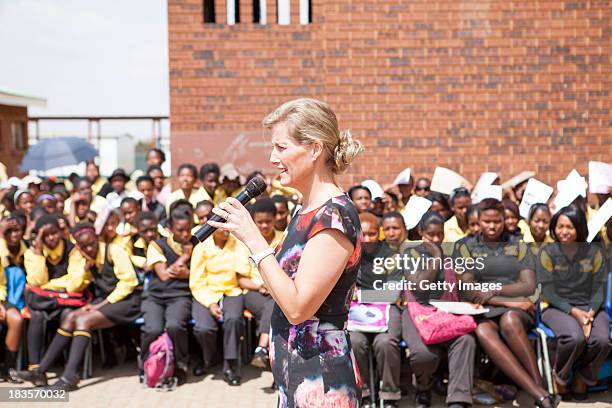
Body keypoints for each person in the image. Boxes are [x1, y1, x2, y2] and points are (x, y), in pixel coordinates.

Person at [207, 98, 364, 406]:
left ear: (315, 149)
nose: (272, 157)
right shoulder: (304, 209)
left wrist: (254, 238)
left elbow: (298, 308)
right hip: (296, 374)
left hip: (321, 380)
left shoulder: (333, 218)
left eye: (281, 147)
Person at [456, 199, 556, 408]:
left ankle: (539, 388)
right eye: (486, 221)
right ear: (478, 221)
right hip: (492, 308)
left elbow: (528, 286)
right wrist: (507, 301)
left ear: (504, 220)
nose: (492, 226)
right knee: (483, 331)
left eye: (497, 221)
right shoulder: (466, 247)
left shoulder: (518, 245)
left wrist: (492, 290)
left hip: (518, 311)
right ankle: (541, 394)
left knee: (510, 321)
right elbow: (467, 288)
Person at [17, 221, 140, 390]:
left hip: (128, 301)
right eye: (84, 247)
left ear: (96, 238)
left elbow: (129, 282)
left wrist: (101, 305)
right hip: (107, 301)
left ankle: (69, 377)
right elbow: (74, 285)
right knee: (71, 317)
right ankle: (40, 370)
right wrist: (85, 269)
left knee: (84, 321)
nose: (89, 249)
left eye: (91, 244)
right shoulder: (87, 259)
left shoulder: (114, 250)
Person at [402, 211, 476, 408]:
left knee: (465, 340)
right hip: (416, 312)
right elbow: (420, 286)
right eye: (431, 234)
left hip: (445, 311)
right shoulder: (410, 254)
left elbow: (457, 287)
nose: (436, 239)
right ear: (420, 232)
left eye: (439, 234)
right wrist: (435, 257)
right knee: (424, 354)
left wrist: (471, 301)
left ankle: (458, 399)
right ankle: (424, 388)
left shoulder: (449, 256)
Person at [537, 206, 610, 401]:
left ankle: (583, 377)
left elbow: (599, 288)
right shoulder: (548, 253)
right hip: (556, 307)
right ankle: (560, 378)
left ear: (579, 228)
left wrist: (590, 314)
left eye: (569, 227)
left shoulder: (594, 253)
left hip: (591, 307)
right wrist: (575, 313)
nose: (564, 231)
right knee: (574, 337)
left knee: (602, 339)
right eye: (560, 226)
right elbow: (548, 291)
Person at [23, 215, 91, 370]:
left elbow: (75, 283)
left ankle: (70, 366)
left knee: (68, 315)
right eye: (45, 235)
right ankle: (35, 366)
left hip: (66, 301)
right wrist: (39, 253)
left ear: (60, 232)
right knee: (37, 317)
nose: (51, 238)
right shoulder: (32, 253)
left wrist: (49, 286)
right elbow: (36, 281)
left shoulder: (72, 249)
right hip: (43, 303)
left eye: (54, 233)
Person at [349, 212, 402, 408]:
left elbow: (392, 294)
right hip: (358, 312)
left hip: (388, 309)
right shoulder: (350, 254)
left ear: (379, 232)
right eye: (364, 234)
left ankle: (389, 396)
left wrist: (361, 294)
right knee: (354, 341)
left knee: (386, 343)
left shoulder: (391, 254)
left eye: (372, 234)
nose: (368, 239)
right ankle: (362, 393)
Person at [141, 206, 197, 385]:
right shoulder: (157, 245)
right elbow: (164, 275)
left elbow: (199, 273)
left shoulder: (197, 244)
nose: (185, 233)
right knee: (153, 329)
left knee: (174, 326)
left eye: (188, 228)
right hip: (155, 297)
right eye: (180, 230)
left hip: (180, 296)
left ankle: (181, 365)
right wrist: (184, 258)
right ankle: (145, 363)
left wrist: (187, 273)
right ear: (170, 229)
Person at [190, 227, 249, 385]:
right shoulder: (201, 247)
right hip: (206, 291)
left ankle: (230, 365)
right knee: (204, 328)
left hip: (232, 290)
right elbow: (196, 281)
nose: (225, 229)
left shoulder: (237, 244)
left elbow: (243, 270)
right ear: (212, 228)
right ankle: (209, 357)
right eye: (220, 225)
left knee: (234, 320)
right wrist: (210, 303)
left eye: (227, 224)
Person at [238, 198, 283, 369]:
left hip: (276, 292)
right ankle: (266, 351)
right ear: (254, 221)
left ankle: (262, 349)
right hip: (252, 291)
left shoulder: (283, 239)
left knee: (274, 305)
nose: (264, 226)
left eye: (268, 222)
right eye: (260, 222)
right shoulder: (246, 242)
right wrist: (259, 286)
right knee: (275, 308)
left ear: (275, 219)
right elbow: (240, 279)